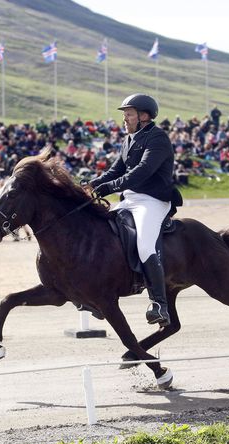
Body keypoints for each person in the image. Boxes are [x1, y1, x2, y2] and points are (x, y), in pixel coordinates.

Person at [89, 93, 175, 327]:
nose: (124, 119)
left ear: (143, 116)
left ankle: (159, 304)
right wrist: (90, 185)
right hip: (130, 199)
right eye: (125, 115)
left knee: (145, 244)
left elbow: (142, 171)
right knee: (105, 234)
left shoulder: (158, 138)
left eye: (128, 114)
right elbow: (115, 171)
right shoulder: (129, 139)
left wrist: (108, 188)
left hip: (153, 200)